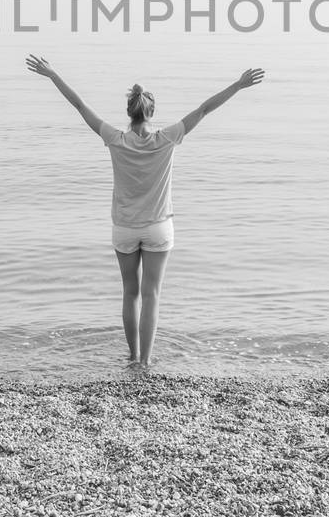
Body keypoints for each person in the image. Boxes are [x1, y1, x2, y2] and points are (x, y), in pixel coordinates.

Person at [25, 55, 266, 371]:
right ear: (151, 113)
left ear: (129, 113)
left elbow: (80, 106)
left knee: (130, 293)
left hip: (124, 227)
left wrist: (53, 74)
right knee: (151, 295)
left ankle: (131, 357)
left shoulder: (115, 138)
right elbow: (205, 109)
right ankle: (146, 361)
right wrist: (238, 84)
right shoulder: (168, 138)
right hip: (158, 227)